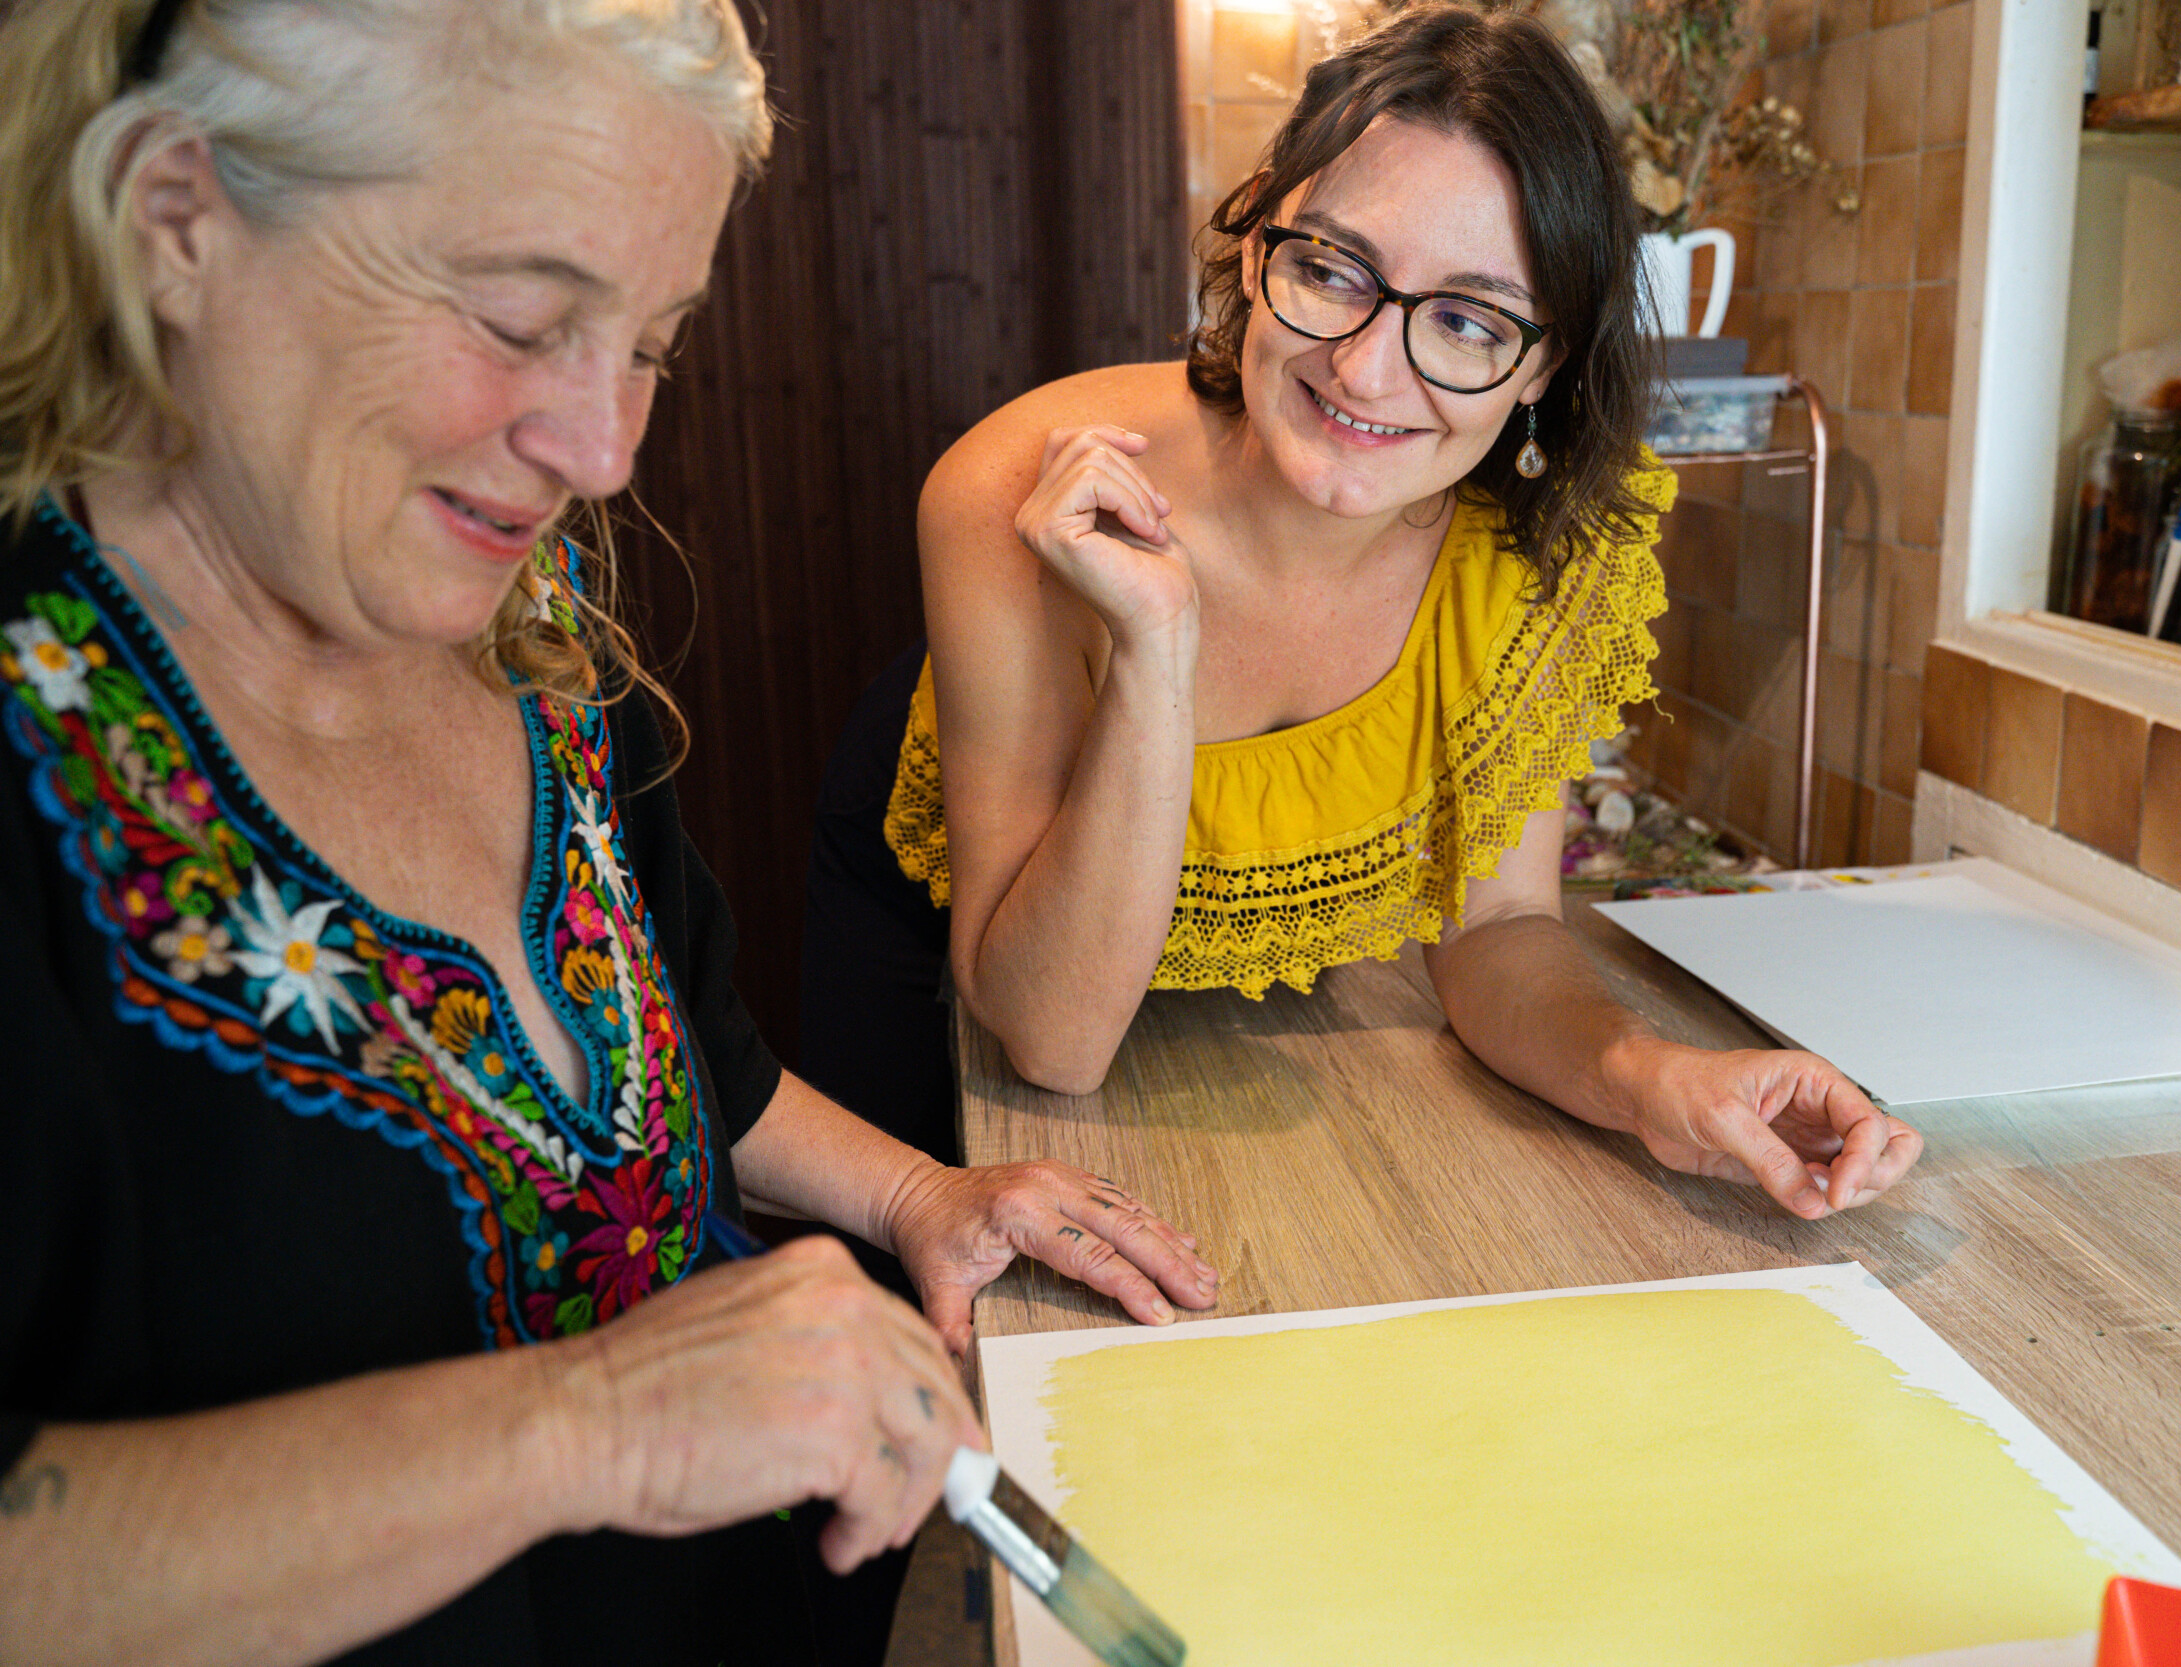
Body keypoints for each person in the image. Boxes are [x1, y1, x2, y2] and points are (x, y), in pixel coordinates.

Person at [0, 2, 1216, 1662]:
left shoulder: (533, 625)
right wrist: (596, 1423)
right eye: (517, 319)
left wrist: (919, 1193)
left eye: (652, 339)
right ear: (179, 219)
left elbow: (672, 1066)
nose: (601, 449)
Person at [803, 4, 1922, 1221]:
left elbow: (1494, 927)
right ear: (1252, 252)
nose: (1366, 370)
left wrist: (1651, 1075)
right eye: (1332, 269)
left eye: (1467, 318)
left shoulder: (1533, 554)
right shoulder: (1014, 487)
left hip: (1233, 1032)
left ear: (1545, 364)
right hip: (957, 989)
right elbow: (1050, 1038)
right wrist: (1154, 653)